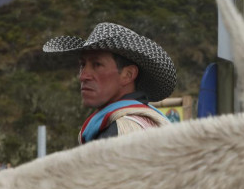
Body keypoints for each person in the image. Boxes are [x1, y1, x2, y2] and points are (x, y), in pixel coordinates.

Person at [43, 23, 176, 144]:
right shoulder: (151, 126)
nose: (83, 76)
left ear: (128, 75)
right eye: (83, 65)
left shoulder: (121, 132)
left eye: (97, 64)